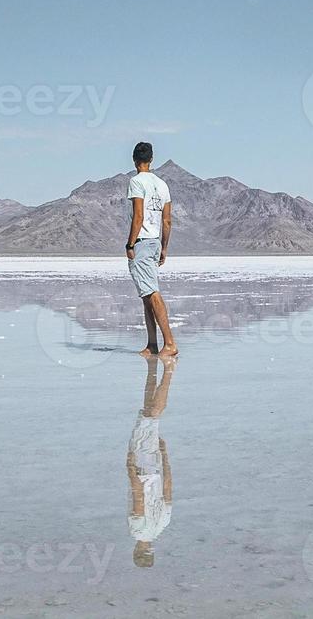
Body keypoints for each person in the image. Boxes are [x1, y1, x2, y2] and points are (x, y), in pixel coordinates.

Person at [125, 141, 177, 358]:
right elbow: (166, 221)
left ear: (134, 160)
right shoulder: (162, 184)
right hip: (155, 242)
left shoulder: (136, 182)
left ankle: (170, 343)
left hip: (143, 242)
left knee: (152, 293)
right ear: (151, 159)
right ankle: (152, 344)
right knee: (147, 294)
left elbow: (139, 216)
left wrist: (130, 244)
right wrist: (164, 248)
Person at [127, 357, 174, 567]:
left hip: (154, 467)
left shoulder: (163, 524)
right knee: (152, 416)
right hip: (142, 468)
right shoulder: (137, 531)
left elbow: (168, 487)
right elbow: (138, 499)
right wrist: (129, 469)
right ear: (137, 551)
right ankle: (169, 372)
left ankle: (154, 367)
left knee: (147, 413)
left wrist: (165, 457)